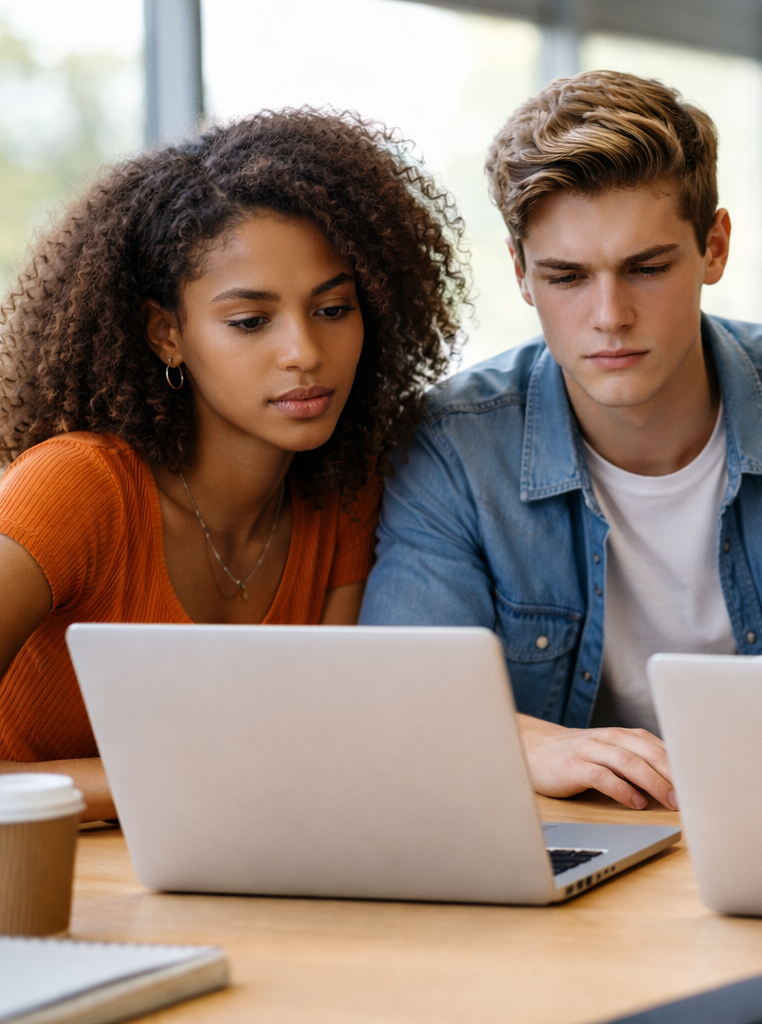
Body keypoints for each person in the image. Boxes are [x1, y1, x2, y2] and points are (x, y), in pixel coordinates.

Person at [359, 71, 762, 812]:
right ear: (521, 273)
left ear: (714, 248)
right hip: (588, 836)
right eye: (567, 277)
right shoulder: (456, 446)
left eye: (647, 268)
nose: (610, 315)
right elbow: (404, 695)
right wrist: (528, 744)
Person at [0, 110, 467, 820]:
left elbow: (314, 752)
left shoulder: (344, 495)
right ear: (167, 334)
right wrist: (154, 781)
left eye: (333, 309)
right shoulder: (73, 488)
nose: (304, 352)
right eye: (250, 321)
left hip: (224, 862)